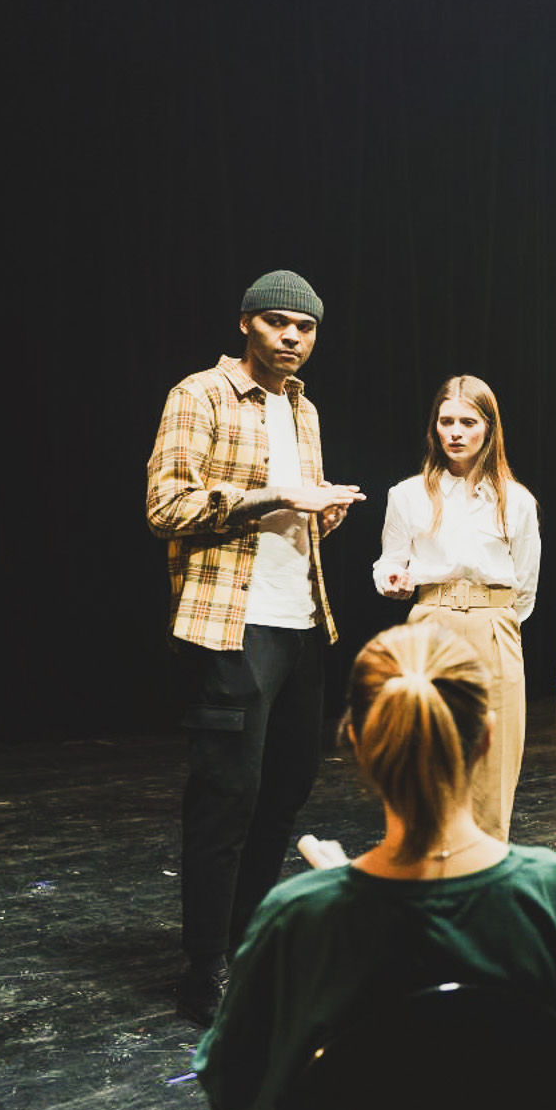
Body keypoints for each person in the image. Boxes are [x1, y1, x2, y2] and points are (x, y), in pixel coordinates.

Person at [195, 623, 556, 1110]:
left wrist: (339, 900)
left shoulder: (300, 913)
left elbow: (234, 1091)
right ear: (487, 737)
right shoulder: (553, 889)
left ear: (356, 742)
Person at [146, 270, 366, 1027]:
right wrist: (276, 496)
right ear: (246, 323)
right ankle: (202, 966)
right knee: (225, 800)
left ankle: (244, 943)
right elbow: (166, 505)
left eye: (305, 328)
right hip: (231, 624)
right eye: (277, 322)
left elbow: (297, 512)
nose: (292, 338)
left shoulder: (304, 409)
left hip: (302, 622)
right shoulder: (200, 395)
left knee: (285, 793)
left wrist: (322, 512)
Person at [373, 375, 540, 838]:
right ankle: (424, 860)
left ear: (489, 428)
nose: (456, 432)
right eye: (446, 421)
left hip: (494, 624)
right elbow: (390, 559)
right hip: (431, 621)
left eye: (468, 422)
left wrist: (498, 621)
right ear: (435, 427)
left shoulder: (517, 501)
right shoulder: (407, 494)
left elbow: (526, 583)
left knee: (495, 754)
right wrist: (391, 579)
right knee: (425, 752)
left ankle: (485, 862)